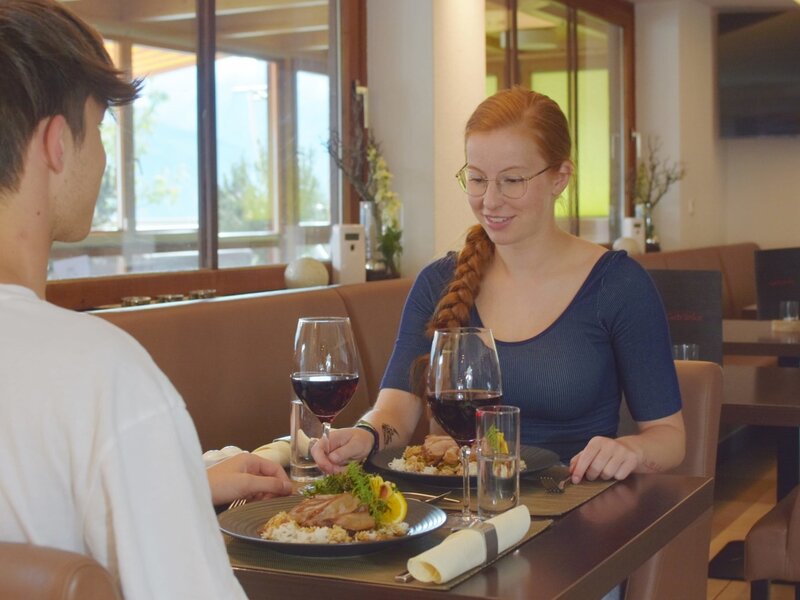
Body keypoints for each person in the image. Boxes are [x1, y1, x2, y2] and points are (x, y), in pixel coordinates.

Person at [0, 1, 291, 598]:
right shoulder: (100, 374)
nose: (106, 159)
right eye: (101, 129)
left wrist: (173, 480)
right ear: (57, 143)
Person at [314, 86, 686, 485]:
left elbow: (669, 438)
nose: (490, 201)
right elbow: (395, 414)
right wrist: (365, 434)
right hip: (457, 514)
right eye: (476, 179)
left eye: (511, 180)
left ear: (560, 177)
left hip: (572, 507)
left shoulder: (617, 285)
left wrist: (631, 449)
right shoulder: (438, 282)